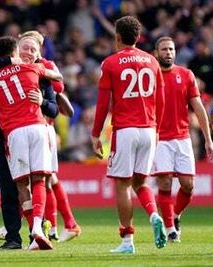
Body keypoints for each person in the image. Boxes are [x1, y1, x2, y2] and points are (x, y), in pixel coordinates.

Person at [0, 30, 80, 245]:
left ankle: (50, 226)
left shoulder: (34, 67)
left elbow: (55, 105)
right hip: (25, 130)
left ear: (39, 51)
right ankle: (41, 227)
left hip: (32, 130)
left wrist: (43, 100)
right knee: (37, 181)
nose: (27, 51)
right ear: (16, 49)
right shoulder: (34, 68)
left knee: (41, 180)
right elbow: (59, 80)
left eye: (33, 48)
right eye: (24, 47)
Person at [91, 16, 167, 254]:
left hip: (125, 130)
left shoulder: (110, 63)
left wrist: (95, 134)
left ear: (118, 37)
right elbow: (161, 100)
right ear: (138, 37)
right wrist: (157, 130)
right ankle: (154, 215)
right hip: (148, 129)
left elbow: (103, 104)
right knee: (141, 182)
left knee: (123, 186)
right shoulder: (152, 61)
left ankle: (127, 241)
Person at [153, 36, 213, 242]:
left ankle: (175, 216)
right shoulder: (151, 76)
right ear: (156, 53)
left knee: (188, 185)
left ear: (175, 52)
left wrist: (208, 138)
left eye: (170, 49)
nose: (168, 53)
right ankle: (170, 229)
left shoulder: (186, 75)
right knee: (165, 182)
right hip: (159, 139)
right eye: (164, 50)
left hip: (183, 137)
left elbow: (198, 108)